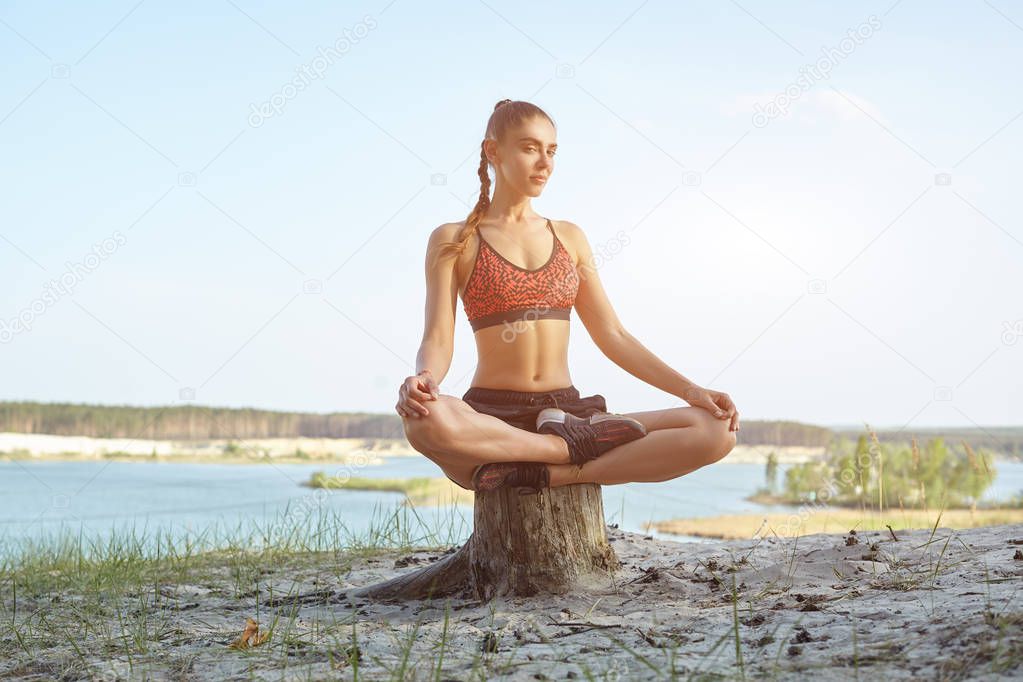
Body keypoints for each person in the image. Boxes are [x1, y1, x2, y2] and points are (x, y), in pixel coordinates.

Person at [397, 99, 738, 497]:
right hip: (491, 417)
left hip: (568, 414)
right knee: (423, 421)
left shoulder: (569, 237)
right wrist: (424, 379)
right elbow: (438, 337)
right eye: (529, 148)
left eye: (551, 150)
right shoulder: (454, 239)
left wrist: (692, 391)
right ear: (493, 151)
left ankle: (552, 471)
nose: (544, 162)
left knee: (716, 431)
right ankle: (564, 451)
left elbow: (613, 335)